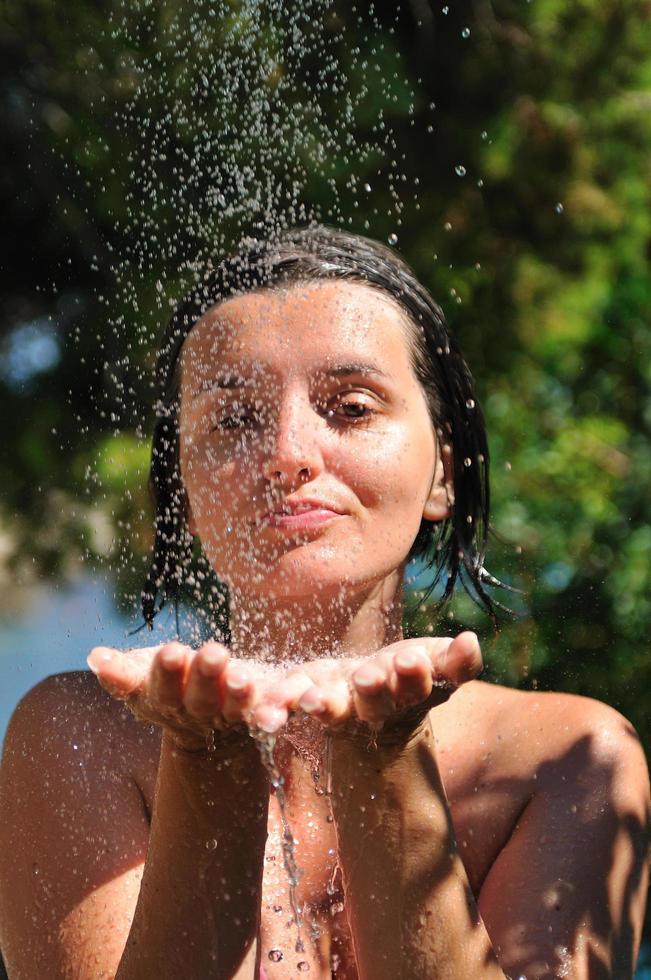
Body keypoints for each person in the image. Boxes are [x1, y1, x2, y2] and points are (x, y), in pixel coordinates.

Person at [0, 226, 647, 980]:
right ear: (184, 493)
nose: (287, 452)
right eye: (234, 419)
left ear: (441, 470)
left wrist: (387, 761)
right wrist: (208, 766)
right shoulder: (80, 739)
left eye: (350, 407)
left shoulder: (569, 761)